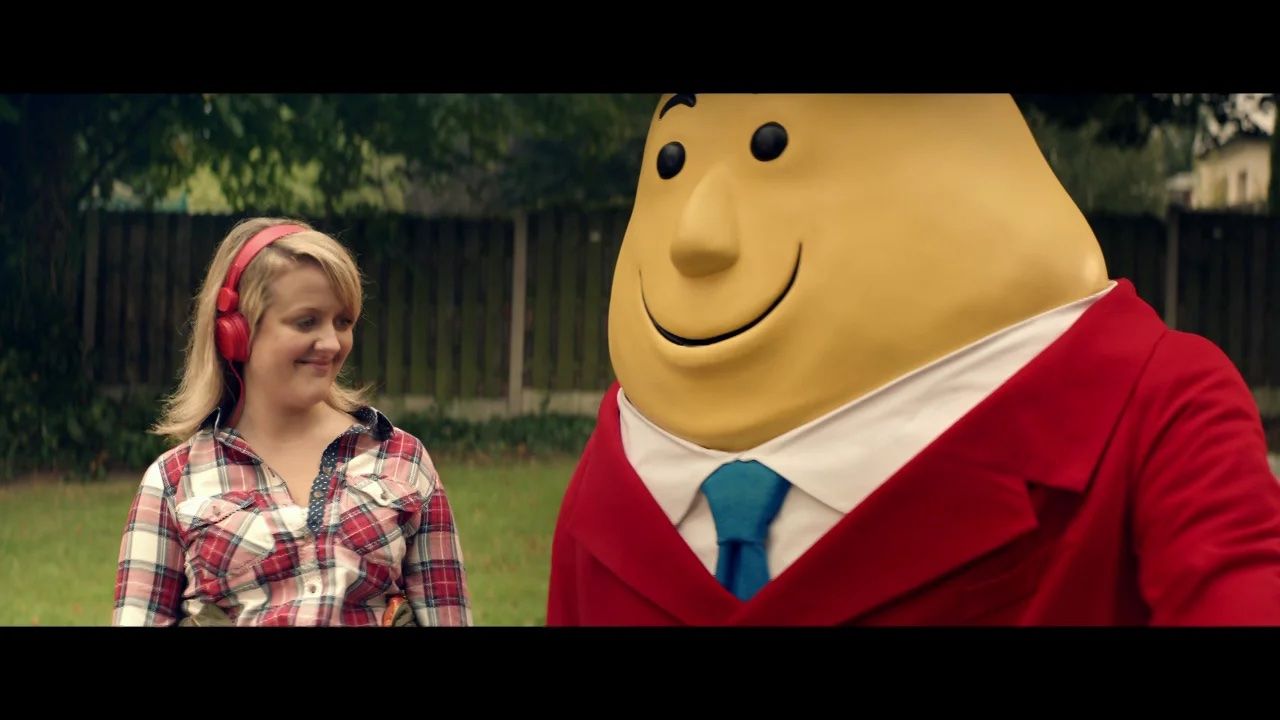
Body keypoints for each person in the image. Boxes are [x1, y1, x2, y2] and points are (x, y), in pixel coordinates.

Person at [547, 93, 1280, 625]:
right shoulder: (611, 489)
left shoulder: (1150, 410)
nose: (696, 236)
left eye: (770, 145)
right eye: (671, 162)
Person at [113, 217, 471, 626]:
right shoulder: (174, 482)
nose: (332, 344)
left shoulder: (402, 460)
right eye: (307, 321)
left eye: (343, 322)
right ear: (237, 331)